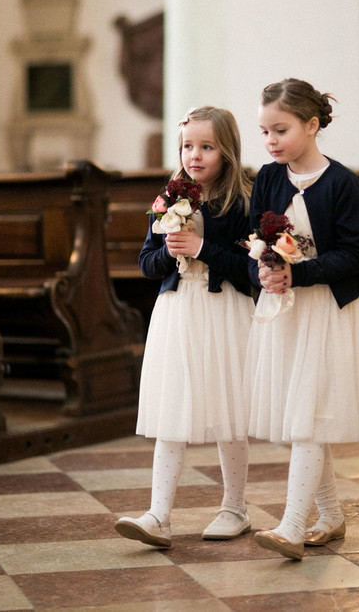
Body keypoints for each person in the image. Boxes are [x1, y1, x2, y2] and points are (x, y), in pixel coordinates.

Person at [244, 77, 359, 560]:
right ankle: (332, 515)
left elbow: (356, 254)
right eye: (264, 132)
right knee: (304, 416)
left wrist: (299, 274)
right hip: (286, 312)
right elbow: (255, 236)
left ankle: (292, 526)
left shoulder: (341, 182)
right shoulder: (270, 177)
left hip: (328, 311)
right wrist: (265, 271)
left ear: (313, 124)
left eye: (280, 130)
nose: (270, 141)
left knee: (309, 418)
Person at [115, 106, 254, 548]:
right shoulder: (171, 196)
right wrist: (174, 254)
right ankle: (159, 515)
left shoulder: (239, 202)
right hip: (177, 308)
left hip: (222, 309)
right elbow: (146, 263)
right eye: (187, 146)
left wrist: (202, 247)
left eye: (207, 146)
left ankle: (235, 508)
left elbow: (249, 270)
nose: (195, 155)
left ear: (226, 150)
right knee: (172, 408)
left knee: (228, 411)